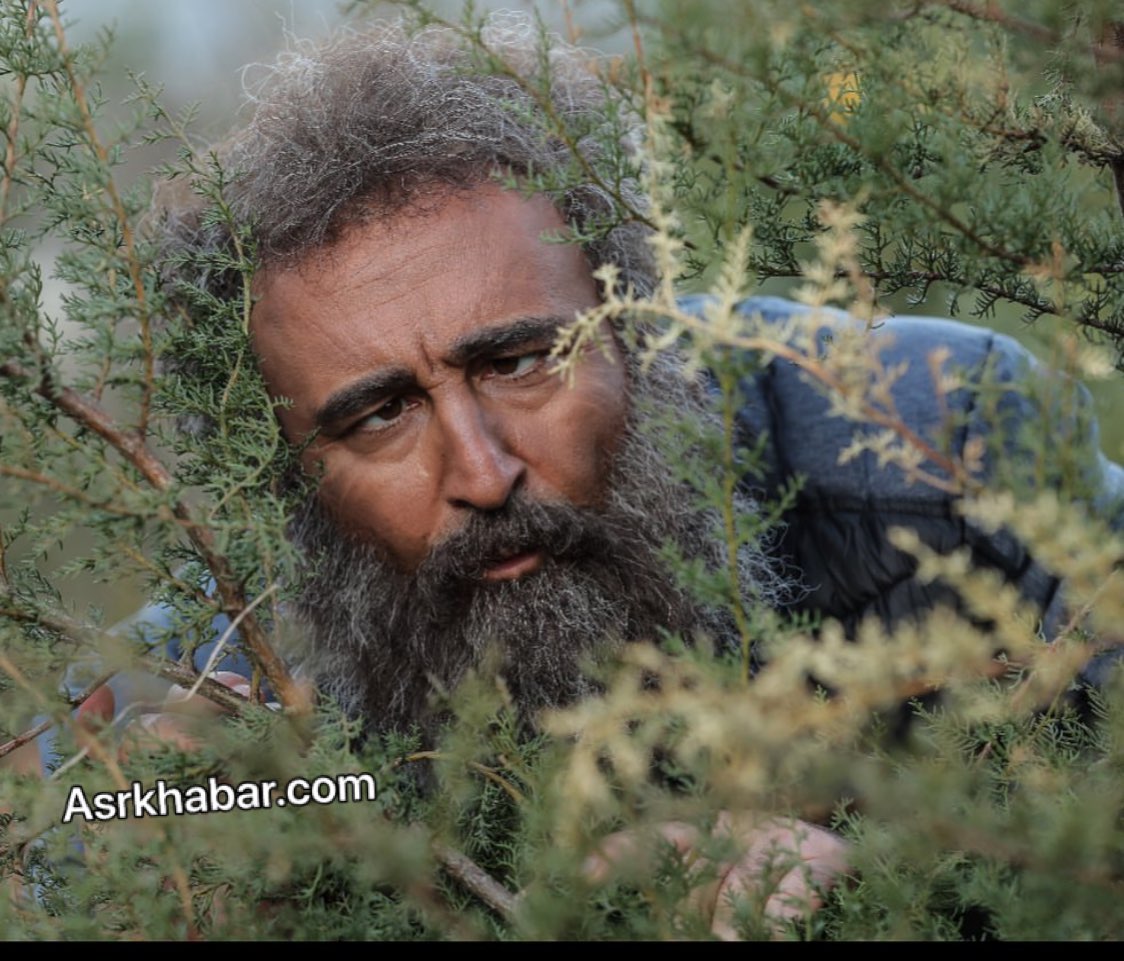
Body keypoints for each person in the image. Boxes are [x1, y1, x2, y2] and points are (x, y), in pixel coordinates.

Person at [13, 11, 1123, 938]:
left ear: (638, 324)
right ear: (286, 479)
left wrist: (883, 880)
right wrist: (242, 844)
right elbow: (85, 853)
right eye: (381, 414)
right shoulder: (220, 667)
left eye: (518, 362)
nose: (483, 472)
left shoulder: (941, 445)